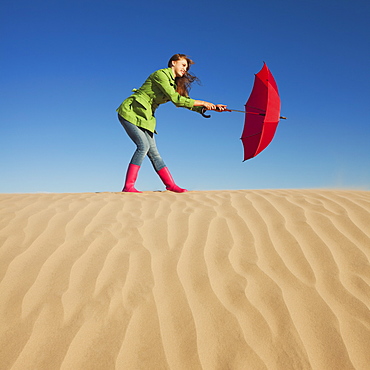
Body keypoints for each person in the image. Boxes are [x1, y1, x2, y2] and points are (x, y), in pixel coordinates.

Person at [116, 53, 228, 193]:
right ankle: (128, 187)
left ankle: (171, 185)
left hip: (147, 117)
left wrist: (211, 107)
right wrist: (204, 102)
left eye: (186, 67)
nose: (185, 69)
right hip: (131, 112)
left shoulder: (175, 84)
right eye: (183, 65)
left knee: (155, 154)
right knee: (143, 146)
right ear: (173, 63)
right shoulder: (160, 75)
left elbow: (186, 103)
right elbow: (176, 100)